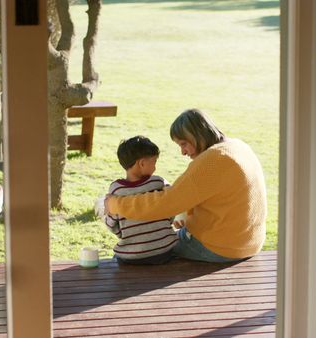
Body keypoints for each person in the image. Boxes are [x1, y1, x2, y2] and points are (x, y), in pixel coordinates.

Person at [105, 109, 267, 263]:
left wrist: (115, 204)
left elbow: (165, 203)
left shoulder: (213, 160)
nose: (183, 152)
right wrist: (185, 216)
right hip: (248, 242)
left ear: (196, 135)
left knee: (146, 251)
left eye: (184, 144)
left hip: (221, 248)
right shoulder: (237, 146)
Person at [102, 136, 178, 265]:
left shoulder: (116, 190)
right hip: (165, 251)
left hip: (132, 257)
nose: (155, 168)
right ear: (142, 163)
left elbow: (112, 225)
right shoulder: (158, 183)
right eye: (154, 162)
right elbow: (171, 211)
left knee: (115, 259)